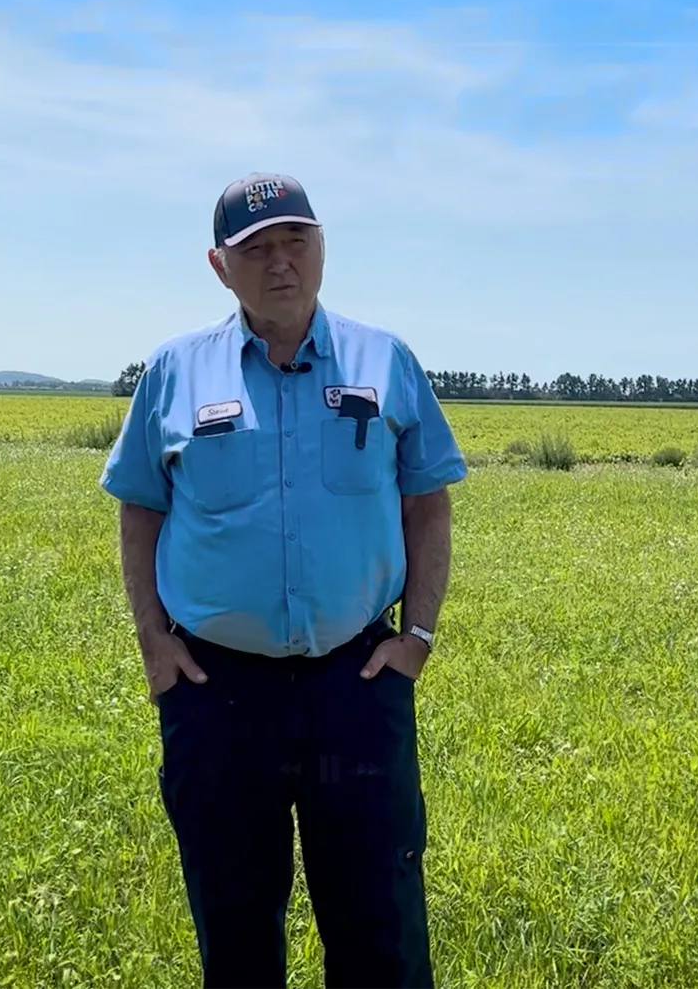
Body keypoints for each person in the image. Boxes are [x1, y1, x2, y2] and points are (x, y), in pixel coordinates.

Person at [101, 172, 467, 988]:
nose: (280, 263)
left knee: (381, 926)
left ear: (323, 246)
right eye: (256, 248)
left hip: (357, 683)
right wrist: (155, 648)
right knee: (234, 932)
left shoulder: (386, 360)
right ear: (218, 265)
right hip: (218, 694)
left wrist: (418, 637)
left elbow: (428, 504)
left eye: (295, 240)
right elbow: (139, 511)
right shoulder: (174, 372)